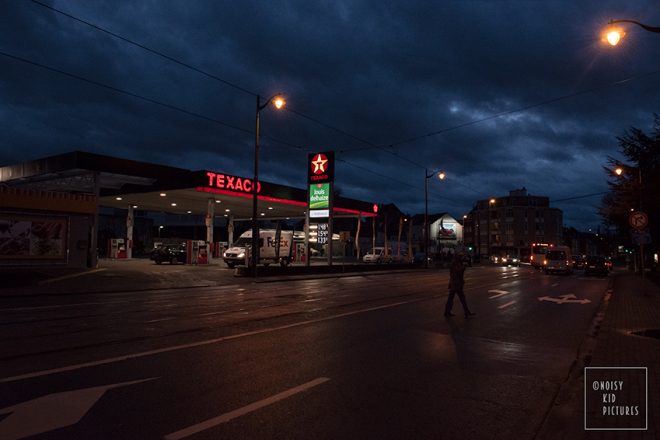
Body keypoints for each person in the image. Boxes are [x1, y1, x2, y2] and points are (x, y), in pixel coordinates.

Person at [444, 253, 475, 318]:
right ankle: (466, 312)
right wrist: (464, 267)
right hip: (456, 284)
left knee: (451, 298)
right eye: (460, 257)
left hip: (455, 283)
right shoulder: (455, 263)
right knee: (462, 298)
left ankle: (447, 311)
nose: (461, 258)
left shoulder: (455, 263)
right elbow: (458, 271)